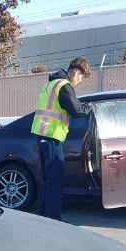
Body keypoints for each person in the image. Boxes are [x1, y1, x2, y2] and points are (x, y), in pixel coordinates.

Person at [31, 57, 93, 222]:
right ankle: (53, 218)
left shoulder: (50, 84)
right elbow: (76, 109)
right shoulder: (64, 86)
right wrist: (89, 107)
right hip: (51, 136)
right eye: (81, 77)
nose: (79, 81)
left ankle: (44, 213)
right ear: (74, 71)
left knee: (47, 178)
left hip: (42, 135)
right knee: (55, 180)